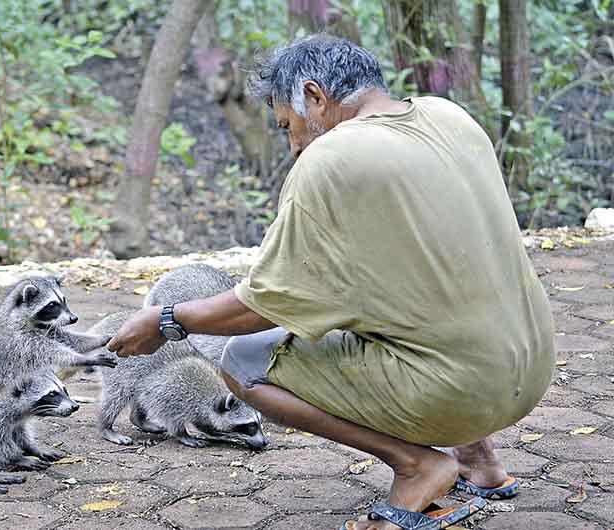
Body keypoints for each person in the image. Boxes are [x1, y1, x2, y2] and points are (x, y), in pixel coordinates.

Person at [106, 34, 555, 530]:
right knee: (409, 298)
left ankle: (417, 466)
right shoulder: (449, 116)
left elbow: (263, 304)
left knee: (244, 359)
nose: (294, 146)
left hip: (460, 393)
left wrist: (167, 320)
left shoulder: (332, 156)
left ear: (316, 97)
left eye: (288, 126)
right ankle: (481, 463)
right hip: (530, 371)